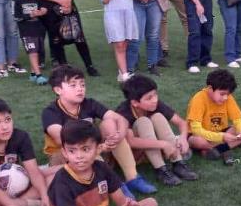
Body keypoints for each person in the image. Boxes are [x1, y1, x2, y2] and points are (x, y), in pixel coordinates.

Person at [47, 119, 180, 206]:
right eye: (72, 150)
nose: (79, 156)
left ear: (98, 149)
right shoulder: (61, 181)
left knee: (150, 203)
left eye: (85, 149)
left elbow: (122, 201)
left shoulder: (101, 168)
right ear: (65, 153)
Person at [41, 65, 156, 194]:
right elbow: (62, 139)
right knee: (85, 149)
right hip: (65, 155)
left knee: (110, 124)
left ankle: (132, 177)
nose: (80, 89)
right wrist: (97, 148)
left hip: (93, 149)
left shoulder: (88, 103)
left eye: (82, 85)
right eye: (73, 85)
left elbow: (121, 120)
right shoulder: (50, 112)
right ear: (58, 90)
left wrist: (119, 135)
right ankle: (116, 185)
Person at [117, 75, 198, 187]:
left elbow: (181, 122)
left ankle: (178, 163)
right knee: (143, 121)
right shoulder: (124, 112)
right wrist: (163, 144)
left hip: (155, 148)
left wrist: (183, 138)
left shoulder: (156, 105)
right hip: (135, 155)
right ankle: (160, 169)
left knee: (158, 116)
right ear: (135, 103)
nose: (154, 100)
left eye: (155, 94)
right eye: (149, 98)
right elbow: (131, 141)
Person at [186, 69, 241, 165]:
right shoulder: (198, 99)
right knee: (198, 141)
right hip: (201, 135)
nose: (225, 98)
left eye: (228, 94)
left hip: (221, 131)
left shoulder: (228, 98)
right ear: (210, 88)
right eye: (222, 94)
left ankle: (215, 150)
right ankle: (223, 148)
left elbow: (237, 119)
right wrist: (221, 137)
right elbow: (196, 130)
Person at [99, 0, 140, 82]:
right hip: (113, 14)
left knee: (126, 43)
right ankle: (124, 74)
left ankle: (122, 72)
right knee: (119, 44)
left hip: (128, 13)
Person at [11, 0, 49, 84]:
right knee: (33, 52)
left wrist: (42, 11)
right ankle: (39, 75)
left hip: (38, 29)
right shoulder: (16, 0)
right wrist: (30, 15)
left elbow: (42, 8)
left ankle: (33, 74)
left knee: (37, 50)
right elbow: (16, 17)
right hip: (26, 31)